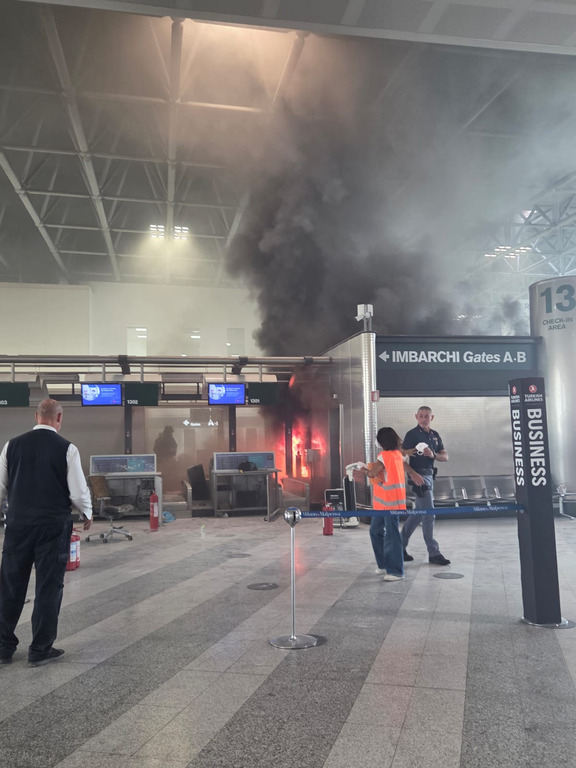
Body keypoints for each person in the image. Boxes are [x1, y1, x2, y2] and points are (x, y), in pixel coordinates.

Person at [0, 399, 93, 667]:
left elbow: (1, 486)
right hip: (52, 527)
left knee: (10, 585)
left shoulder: (11, 445)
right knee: (48, 587)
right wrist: (87, 512)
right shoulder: (67, 448)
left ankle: (3, 648)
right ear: (59, 418)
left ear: (36, 416)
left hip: (18, 526)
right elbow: (78, 491)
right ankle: (40, 649)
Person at [365, 427, 424, 581]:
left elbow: (372, 473)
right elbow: (404, 456)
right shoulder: (398, 455)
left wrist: (363, 469)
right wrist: (409, 455)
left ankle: (396, 571)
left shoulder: (383, 456)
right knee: (375, 531)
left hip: (388, 504)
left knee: (391, 536)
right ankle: (384, 564)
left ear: (381, 442)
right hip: (386, 503)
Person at [401, 406, 451, 566]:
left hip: (430, 475)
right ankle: (434, 552)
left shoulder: (435, 435)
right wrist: (412, 474)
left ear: (432, 417)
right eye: (421, 416)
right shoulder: (411, 434)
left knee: (418, 514)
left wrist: (433, 455)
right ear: (416, 417)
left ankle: (399, 546)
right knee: (429, 513)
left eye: (426, 416)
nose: (423, 419)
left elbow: (445, 456)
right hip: (418, 478)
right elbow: (400, 458)